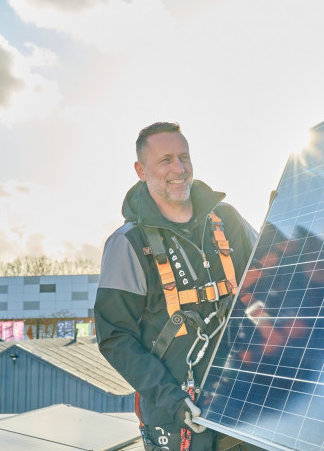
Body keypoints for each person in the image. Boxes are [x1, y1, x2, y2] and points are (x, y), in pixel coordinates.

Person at [95, 122, 258, 451]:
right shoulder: (128, 244)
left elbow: (278, 276)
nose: (179, 169)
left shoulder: (227, 221)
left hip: (248, 412)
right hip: (180, 422)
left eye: (184, 157)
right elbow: (115, 338)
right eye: (165, 160)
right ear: (141, 170)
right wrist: (173, 400)